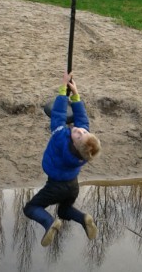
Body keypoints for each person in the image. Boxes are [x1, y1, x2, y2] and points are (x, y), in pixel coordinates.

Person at [23, 70, 102, 247]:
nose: (79, 130)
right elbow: (82, 118)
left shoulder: (60, 138)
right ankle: (83, 218)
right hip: (72, 186)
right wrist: (75, 95)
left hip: (55, 186)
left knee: (30, 208)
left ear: (75, 143)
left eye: (79, 134)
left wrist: (62, 90)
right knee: (65, 211)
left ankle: (48, 223)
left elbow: (58, 115)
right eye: (83, 131)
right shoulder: (82, 154)